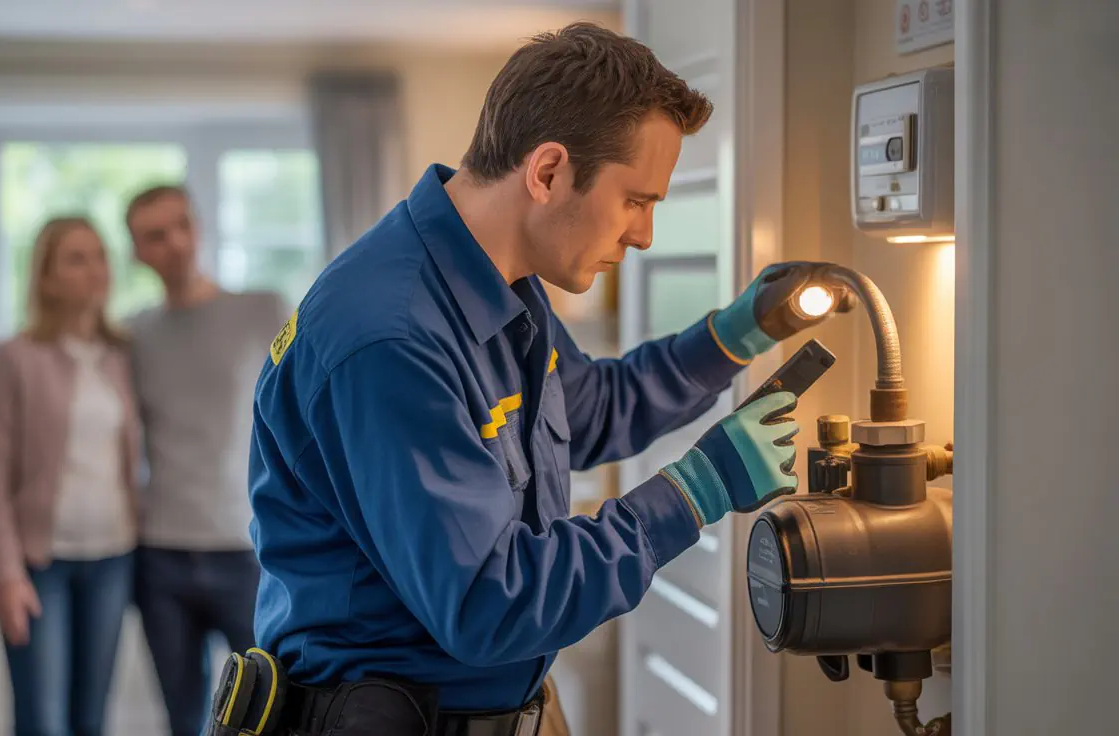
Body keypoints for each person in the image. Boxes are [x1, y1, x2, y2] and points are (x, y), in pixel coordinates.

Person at [246, 22, 851, 736]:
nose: (644, 235)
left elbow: (588, 410)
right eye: (636, 200)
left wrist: (733, 335)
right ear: (547, 171)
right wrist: (695, 491)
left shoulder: (499, 281)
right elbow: (488, 604)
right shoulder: (388, 337)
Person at [124, 184, 289, 736]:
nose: (173, 243)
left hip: (246, 551)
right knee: (184, 718)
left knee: (268, 716)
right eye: (155, 235)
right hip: (161, 556)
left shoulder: (262, 309)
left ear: (199, 228)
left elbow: (305, 416)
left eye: (181, 226)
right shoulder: (133, 335)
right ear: (137, 252)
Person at [0, 216, 141, 736]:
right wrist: (6, 573)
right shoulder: (14, 358)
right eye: (76, 258)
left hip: (113, 558)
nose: (96, 269)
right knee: (42, 722)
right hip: (39, 566)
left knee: (91, 720)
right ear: (45, 277)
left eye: (100, 255)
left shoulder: (121, 356)